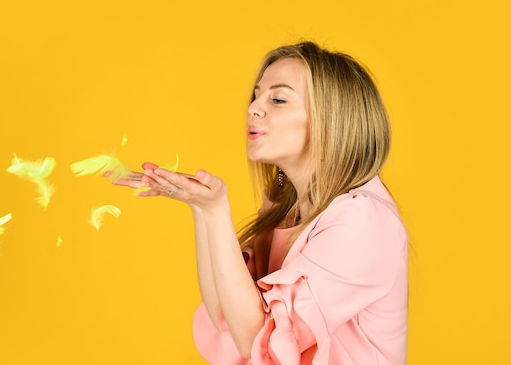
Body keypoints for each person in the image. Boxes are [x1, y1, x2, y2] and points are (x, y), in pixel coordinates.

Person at [112, 41, 408, 364]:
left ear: (331, 122)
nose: (253, 108)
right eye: (256, 95)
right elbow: (228, 318)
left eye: (278, 99)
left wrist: (216, 210)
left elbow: (257, 340)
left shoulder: (362, 222)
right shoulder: (285, 207)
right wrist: (201, 209)